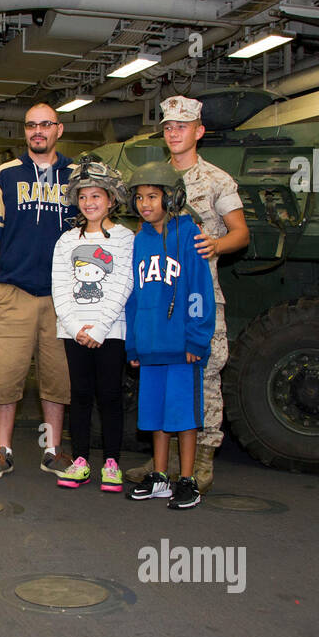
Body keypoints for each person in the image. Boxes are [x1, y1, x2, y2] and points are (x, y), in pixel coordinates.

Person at [124, 95, 248, 493]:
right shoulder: (151, 180)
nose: (174, 132)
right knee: (160, 377)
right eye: (168, 126)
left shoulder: (216, 180)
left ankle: (203, 458)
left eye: (182, 126)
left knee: (204, 374)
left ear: (199, 131)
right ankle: (166, 461)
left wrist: (217, 245)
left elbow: (241, 232)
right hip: (157, 298)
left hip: (199, 295)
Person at [0, 103, 78, 478]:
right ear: (25, 131)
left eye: (45, 125)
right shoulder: (5, 175)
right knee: (4, 375)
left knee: (57, 378)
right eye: (31, 125)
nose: (38, 131)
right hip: (12, 293)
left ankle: (52, 451)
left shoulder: (76, 176)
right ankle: (2, 449)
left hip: (62, 297)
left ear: (58, 130)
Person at [123, 162, 216, 510]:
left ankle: (187, 479)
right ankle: (160, 476)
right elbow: (134, 297)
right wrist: (134, 342)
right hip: (149, 345)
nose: (146, 204)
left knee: (183, 416)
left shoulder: (189, 234)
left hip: (181, 347)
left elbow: (199, 291)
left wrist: (196, 339)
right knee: (155, 415)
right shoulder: (140, 240)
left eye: (153, 196)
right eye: (140, 198)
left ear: (172, 198)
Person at [50, 158, 134, 491]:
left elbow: (123, 283)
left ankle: (111, 462)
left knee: (110, 395)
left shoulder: (126, 238)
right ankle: (81, 460)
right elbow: (59, 286)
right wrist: (74, 327)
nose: (89, 203)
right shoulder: (66, 241)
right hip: (74, 332)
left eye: (96, 196)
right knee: (80, 396)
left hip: (110, 331)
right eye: (83, 197)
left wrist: (99, 329)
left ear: (111, 199)